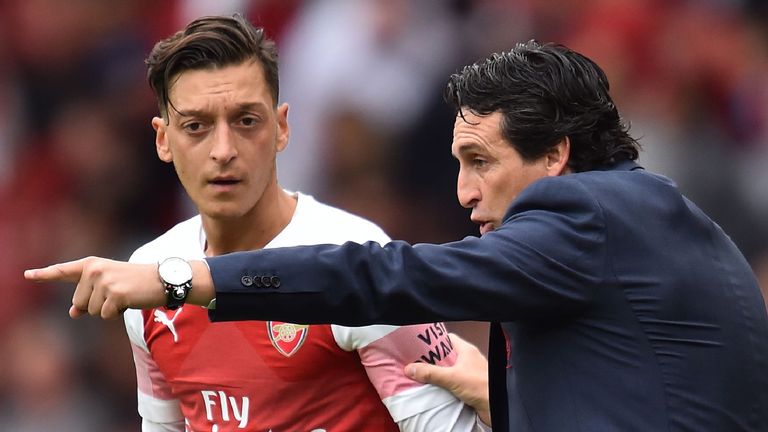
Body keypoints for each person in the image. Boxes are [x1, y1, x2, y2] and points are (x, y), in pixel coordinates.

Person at [26, 41, 768, 431]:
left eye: (481, 162)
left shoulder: (588, 220)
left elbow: (390, 277)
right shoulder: (655, 227)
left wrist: (187, 281)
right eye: (456, 163)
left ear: (556, 157)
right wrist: (509, 397)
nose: (463, 192)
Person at [30, 14, 491, 432]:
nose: (224, 149)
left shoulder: (359, 257)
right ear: (163, 140)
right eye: (196, 126)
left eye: (246, 120)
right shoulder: (149, 274)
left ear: (282, 127)